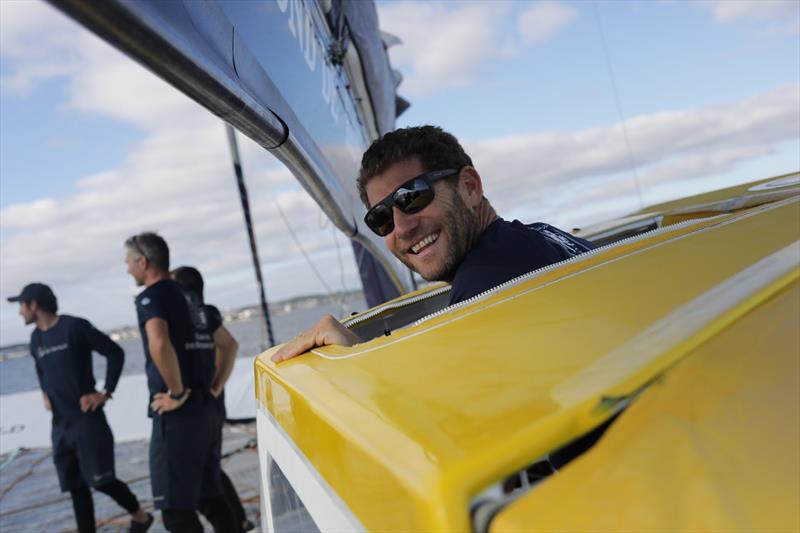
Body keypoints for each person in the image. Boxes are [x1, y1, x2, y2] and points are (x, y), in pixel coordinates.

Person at [272, 125, 595, 362]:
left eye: (412, 197)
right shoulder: (538, 236)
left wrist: (354, 357)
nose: (401, 227)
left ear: (469, 187)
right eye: (381, 218)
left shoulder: (486, 286)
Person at [7, 283, 153, 533]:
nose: (19, 312)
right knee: (75, 488)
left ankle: (140, 516)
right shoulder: (35, 339)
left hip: (87, 420)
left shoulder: (74, 326)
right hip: (60, 425)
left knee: (102, 481)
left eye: (21, 305)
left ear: (33, 305)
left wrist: (105, 392)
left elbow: (114, 352)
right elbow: (41, 369)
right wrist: (45, 392)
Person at [124, 233, 237, 533]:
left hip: (178, 417)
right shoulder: (191, 298)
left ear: (143, 262)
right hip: (206, 412)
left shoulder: (152, 296)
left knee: (176, 513)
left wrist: (177, 392)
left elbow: (159, 344)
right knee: (211, 499)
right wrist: (214, 387)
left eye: (128, 262)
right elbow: (230, 345)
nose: (127, 269)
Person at [170, 266, 254, 533]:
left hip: (204, 405)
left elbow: (229, 346)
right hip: (212, 404)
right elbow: (227, 347)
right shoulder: (205, 315)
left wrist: (214, 385)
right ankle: (238, 520)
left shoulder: (197, 316)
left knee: (208, 474)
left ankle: (235, 522)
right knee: (212, 469)